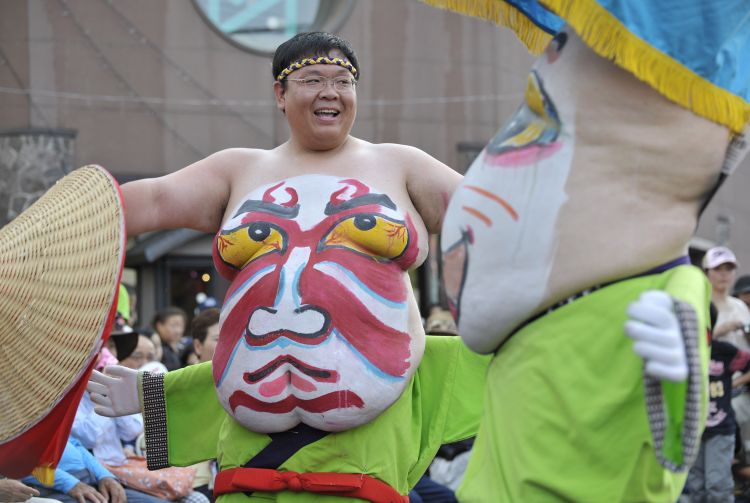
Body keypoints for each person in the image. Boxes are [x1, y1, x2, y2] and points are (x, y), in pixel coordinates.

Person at [88, 31, 489, 501]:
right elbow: (153, 200)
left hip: (368, 455)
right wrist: (57, 232)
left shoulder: (400, 165)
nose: (330, 92)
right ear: (280, 93)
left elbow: (498, 218)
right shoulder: (238, 169)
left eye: (342, 81)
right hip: (250, 458)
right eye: (313, 80)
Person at [428, 0, 750, 501]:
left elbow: (677, 437)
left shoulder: (673, 289)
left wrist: (677, 369)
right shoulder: (538, 314)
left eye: (539, 122)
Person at [688, 303, 750, 502]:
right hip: (693, 429)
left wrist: (734, 383)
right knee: (695, 485)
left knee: (717, 485)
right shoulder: (684, 353)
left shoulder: (723, 351)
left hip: (720, 428)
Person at [704, 246, 750, 462]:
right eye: (718, 269)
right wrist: (719, 331)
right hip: (709, 387)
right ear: (706, 272)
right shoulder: (700, 303)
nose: (724, 275)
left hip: (739, 383)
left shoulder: (740, 306)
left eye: (728, 269)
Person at [21, 438, 126, 503]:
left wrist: (105, 476)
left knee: (133, 498)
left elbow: (76, 445)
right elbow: (18, 463)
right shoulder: (15, 424)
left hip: (90, 476)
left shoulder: (48, 418)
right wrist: (70, 484)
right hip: (54, 486)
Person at [152, 307, 188, 371]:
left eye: (181, 326)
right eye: (173, 325)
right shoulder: (154, 348)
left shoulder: (183, 348)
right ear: (159, 326)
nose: (178, 331)